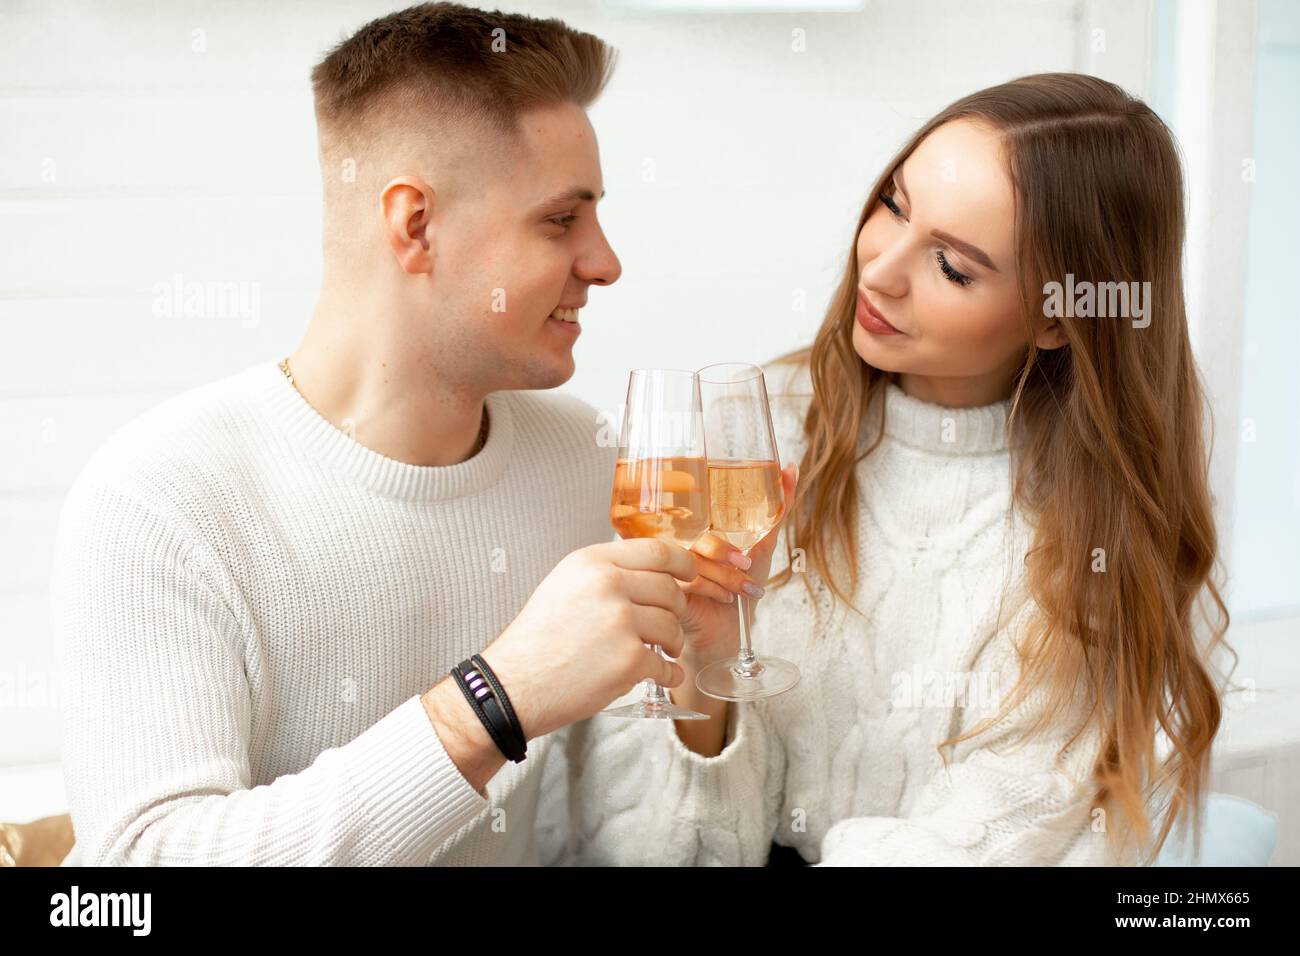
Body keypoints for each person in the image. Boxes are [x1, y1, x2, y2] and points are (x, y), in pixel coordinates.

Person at [51, 1, 763, 866]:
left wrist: (701, 672)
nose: (605, 262)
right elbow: (128, 888)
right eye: (560, 220)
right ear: (416, 226)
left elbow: (634, 853)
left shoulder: (584, 460)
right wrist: (491, 703)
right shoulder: (160, 501)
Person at [583, 72, 1232, 867]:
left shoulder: (1100, 544)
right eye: (894, 204)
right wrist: (704, 667)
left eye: (953, 267)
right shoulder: (767, 430)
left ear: (1059, 316)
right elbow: (658, 851)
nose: (880, 269)